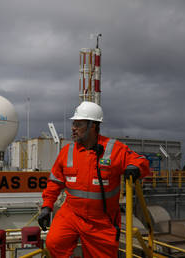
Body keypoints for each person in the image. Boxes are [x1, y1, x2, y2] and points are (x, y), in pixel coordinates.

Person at [38, 101, 150, 258]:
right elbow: (55, 181)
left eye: (78, 124)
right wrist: (46, 206)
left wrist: (135, 168)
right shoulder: (67, 151)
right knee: (54, 243)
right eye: (73, 123)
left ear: (93, 126)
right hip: (71, 214)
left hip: (102, 220)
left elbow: (141, 161)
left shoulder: (113, 149)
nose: (73, 128)